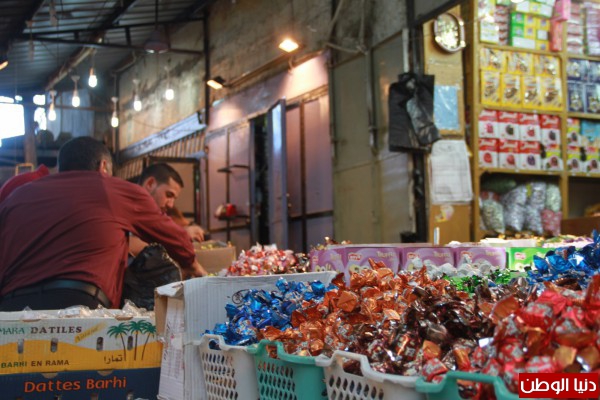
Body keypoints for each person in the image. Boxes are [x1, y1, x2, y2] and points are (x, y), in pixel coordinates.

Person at [0, 137, 206, 311]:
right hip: (79, 307)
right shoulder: (109, 188)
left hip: (11, 309)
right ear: (103, 167)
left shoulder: (19, 195)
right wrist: (194, 267)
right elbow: (176, 239)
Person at [129, 163, 205, 257]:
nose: (171, 205)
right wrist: (180, 237)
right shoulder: (126, 204)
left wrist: (182, 234)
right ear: (150, 184)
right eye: (168, 195)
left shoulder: (153, 213)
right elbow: (129, 244)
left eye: (174, 198)